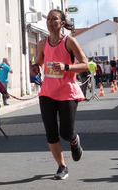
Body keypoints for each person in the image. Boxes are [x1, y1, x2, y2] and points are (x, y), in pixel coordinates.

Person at [29, 9, 89, 180]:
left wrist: (67, 67)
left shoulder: (70, 42)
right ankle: (62, 166)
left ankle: (74, 140)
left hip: (67, 92)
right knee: (51, 132)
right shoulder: (42, 43)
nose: (49, 22)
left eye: (53, 19)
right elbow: (39, 63)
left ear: (62, 23)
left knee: (65, 132)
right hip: (47, 92)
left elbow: (85, 65)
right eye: (48, 19)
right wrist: (35, 68)